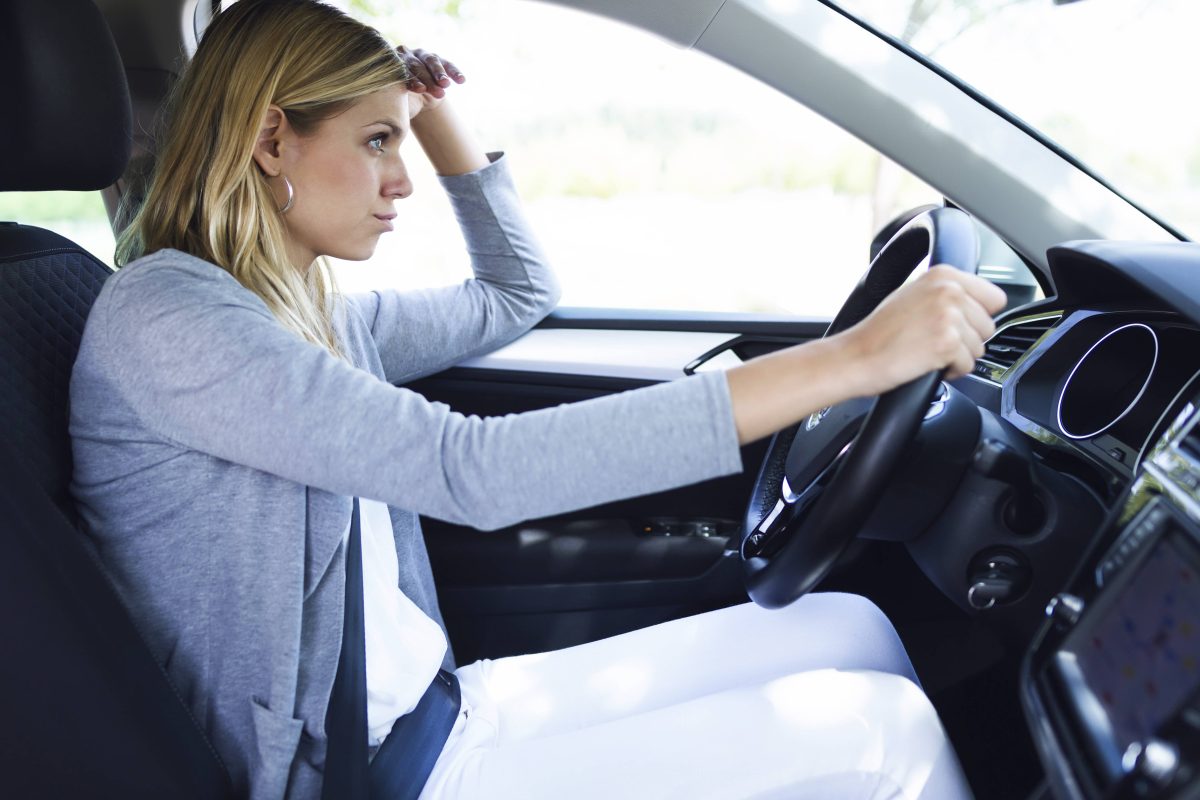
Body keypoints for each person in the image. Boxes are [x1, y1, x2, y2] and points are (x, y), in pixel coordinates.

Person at [68, 0, 1005, 798]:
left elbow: (515, 294)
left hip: (436, 711)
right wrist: (849, 360)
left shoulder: (312, 309)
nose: (402, 183)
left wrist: (432, 115)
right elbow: (471, 470)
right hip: (366, 773)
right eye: (375, 141)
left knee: (851, 626)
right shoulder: (169, 318)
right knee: (880, 736)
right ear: (273, 139)